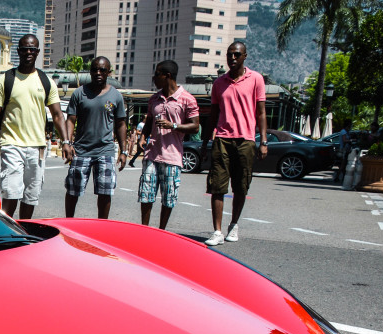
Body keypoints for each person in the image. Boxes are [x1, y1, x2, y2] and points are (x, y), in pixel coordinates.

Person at [0, 33, 68, 219]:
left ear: (37, 52)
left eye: (32, 49)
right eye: (24, 49)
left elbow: (57, 114)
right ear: (18, 52)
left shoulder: (46, 82)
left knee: (31, 195)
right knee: (11, 192)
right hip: (12, 143)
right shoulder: (6, 80)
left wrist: (66, 142)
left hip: (37, 146)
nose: (28, 52)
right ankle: (6, 231)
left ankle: (22, 230)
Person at [206, 40, 266, 246]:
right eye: (229, 54)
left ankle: (233, 225)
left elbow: (261, 112)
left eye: (237, 54)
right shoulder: (219, 83)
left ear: (244, 56)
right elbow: (213, 114)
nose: (232, 58)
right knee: (217, 186)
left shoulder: (256, 79)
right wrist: (207, 140)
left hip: (246, 140)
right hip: (222, 138)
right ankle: (217, 231)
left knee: (240, 186)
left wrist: (263, 141)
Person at [62, 56, 127, 219]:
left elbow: (120, 124)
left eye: (102, 70)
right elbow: (70, 119)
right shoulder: (79, 93)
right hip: (81, 150)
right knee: (73, 190)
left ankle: (102, 224)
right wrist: (67, 143)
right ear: (90, 72)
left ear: (109, 72)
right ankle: (69, 221)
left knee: (105, 191)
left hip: (105, 150)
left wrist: (124, 151)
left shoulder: (116, 96)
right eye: (94, 70)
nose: (98, 73)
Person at [137, 60, 199, 230]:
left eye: (157, 74)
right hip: (152, 154)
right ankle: (145, 229)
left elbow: (195, 126)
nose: (154, 78)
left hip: (172, 156)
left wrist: (174, 126)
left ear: (167, 76)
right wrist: (142, 138)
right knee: (146, 195)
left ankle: (161, 231)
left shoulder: (187, 99)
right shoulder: (154, 99)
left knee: (168, 197)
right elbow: (149, 121)